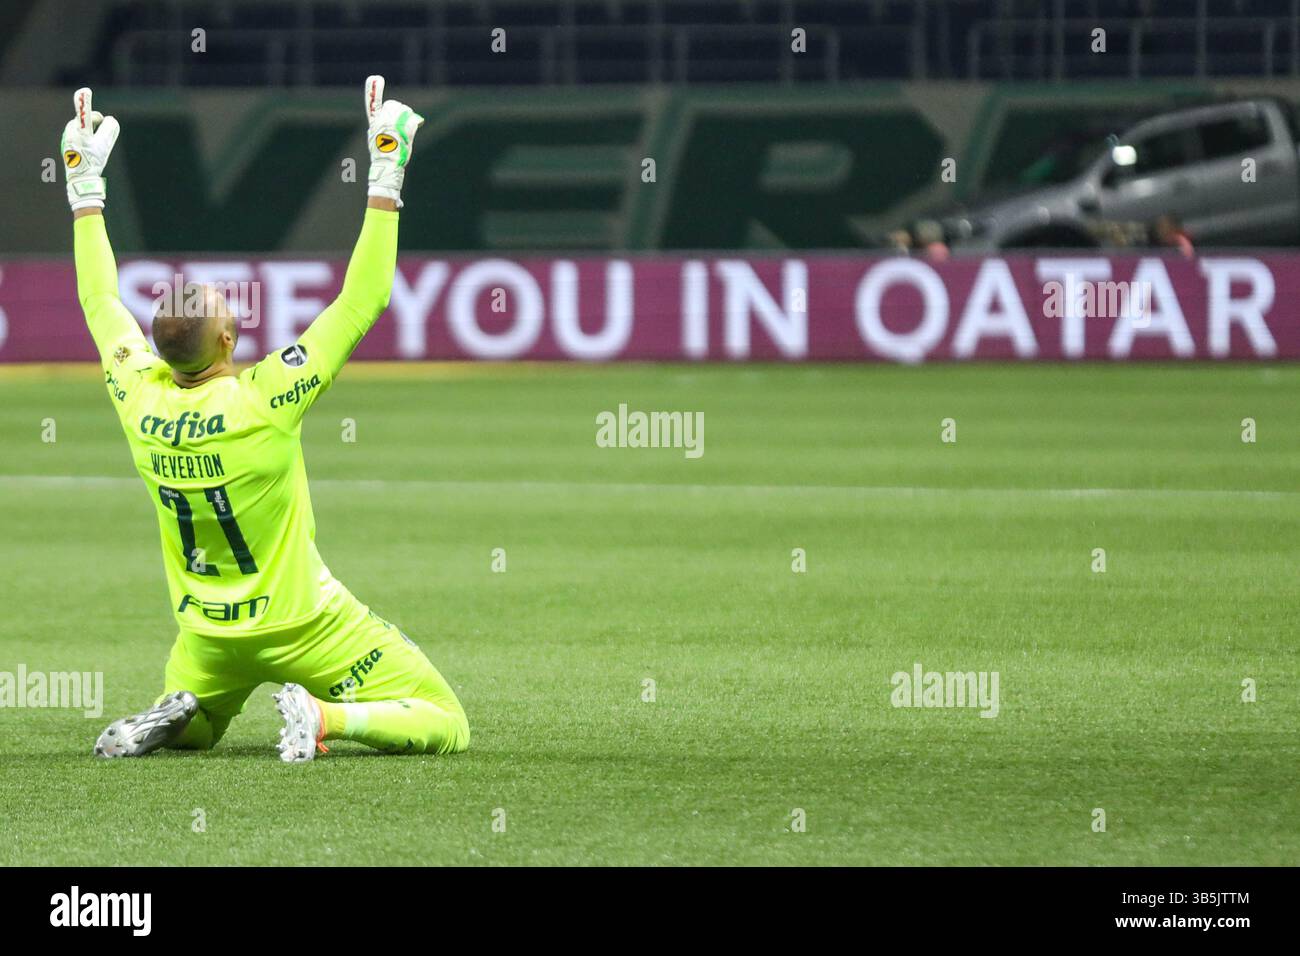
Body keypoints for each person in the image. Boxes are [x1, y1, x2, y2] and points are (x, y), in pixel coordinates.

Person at [63, 79, 469, 762]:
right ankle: (323, 718)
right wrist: (385, 170)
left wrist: (84, 190)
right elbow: (362, 298)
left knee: (203, 730)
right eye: (230, 312)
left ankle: (180, 716)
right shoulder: (266, 399)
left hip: (206, 636)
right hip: (303, 624)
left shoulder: (137, 394)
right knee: (445, 720)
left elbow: (99, 299)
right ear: (227, 342)